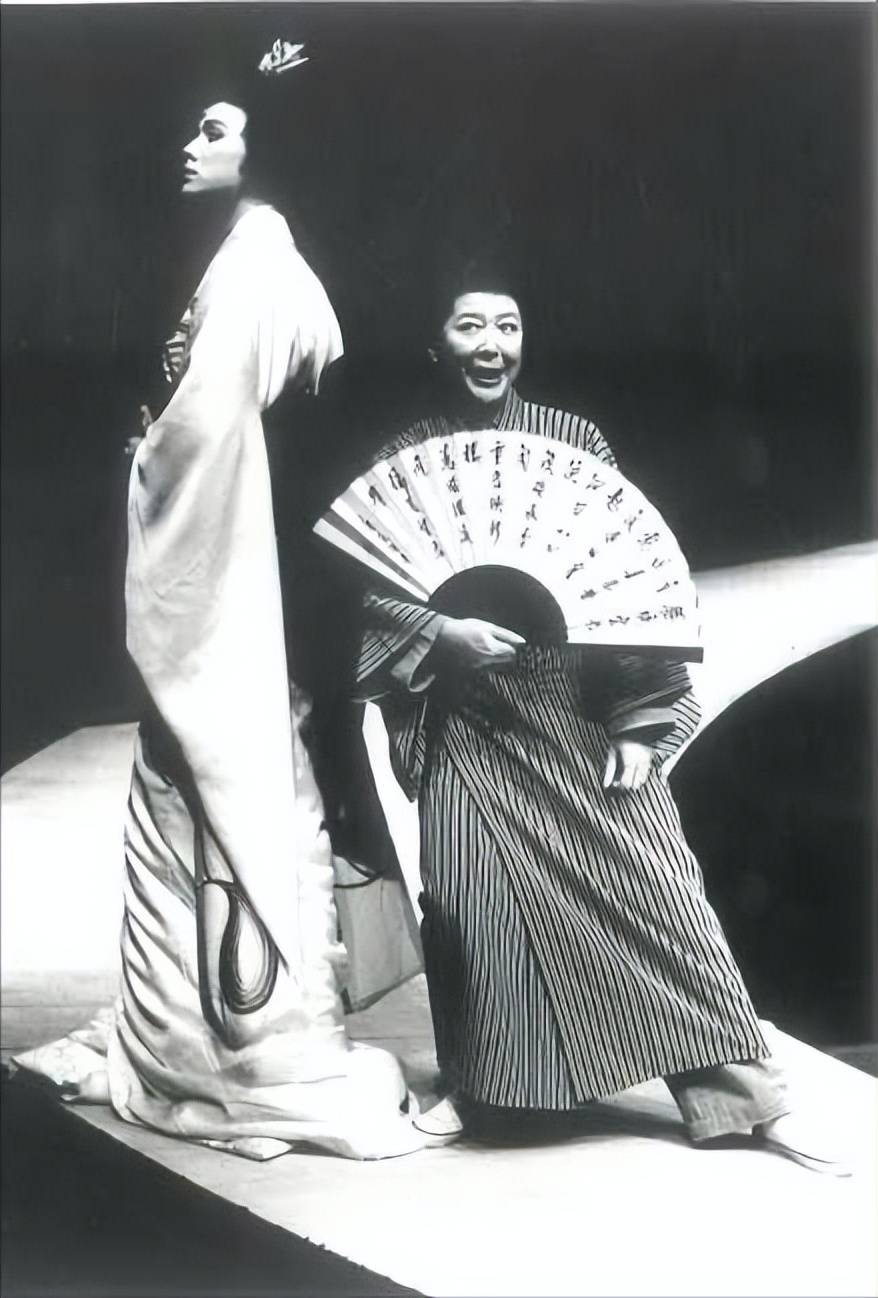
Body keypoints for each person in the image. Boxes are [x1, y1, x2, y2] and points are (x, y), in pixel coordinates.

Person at [13, 43, 423, 1162]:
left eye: (214, 131)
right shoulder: (250, 263)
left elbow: (198, 441)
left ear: (262, 150)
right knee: (209, 803)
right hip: (249, 583)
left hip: (248, 594)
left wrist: (141, 455)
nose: (186, 146)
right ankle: (192, 1043)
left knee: (231, 800)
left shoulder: (256, 272)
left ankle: (243, 1059)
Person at [354, 272, 847, 1173]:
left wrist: (635, 724)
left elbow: (624, 581)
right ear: (437, 344)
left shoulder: (572, 443)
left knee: (658, 892)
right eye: (470, 326)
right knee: (470, 905)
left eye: (508, 325)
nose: (491, 344)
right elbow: (372, 594)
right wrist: (440, 635)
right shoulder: (404, 462)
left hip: (573, 704)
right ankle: (485, 1089)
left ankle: (750, 1099)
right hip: (467, 722)